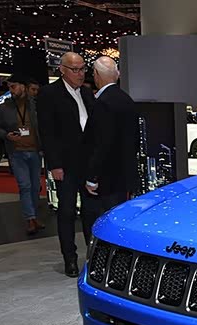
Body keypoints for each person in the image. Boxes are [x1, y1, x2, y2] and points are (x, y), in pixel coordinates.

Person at [37, 51, 94, 278]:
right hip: (66, 165)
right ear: (62, 69)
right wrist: (55, 164)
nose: (80, 74)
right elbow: (47, 132)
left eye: (83, 69)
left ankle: (93, 256)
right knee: (67, 211)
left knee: (91, 211)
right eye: (75, 69)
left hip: (88, 164)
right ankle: (69, 258)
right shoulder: (49, 94)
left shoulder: (87, 93)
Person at [83, 57, 139, 242]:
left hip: (107, 178)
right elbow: (134, 140)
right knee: (120, 220)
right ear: (117, 75)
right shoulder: (126, 99)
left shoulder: (103, 102)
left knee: (103, 223)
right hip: (124, 174)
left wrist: (92, 177)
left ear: (96, 75)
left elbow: (101, 144)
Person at [0, 74, 43, 234]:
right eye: (9, 87)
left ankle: (34, 216)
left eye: (13, 86)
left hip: (35, 151)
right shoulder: (4, 108)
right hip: (16, 152)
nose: (11, 90)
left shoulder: (35, 105)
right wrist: (6, 135)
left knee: (35, 187)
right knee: (25, 186)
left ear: (23, 86)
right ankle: (30, 218)